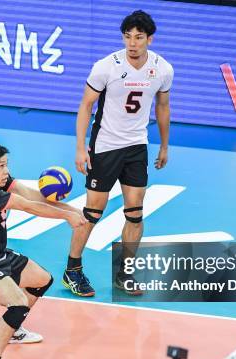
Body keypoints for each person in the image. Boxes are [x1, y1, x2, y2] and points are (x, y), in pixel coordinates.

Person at [62, 10, 174, 297]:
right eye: (128, 37)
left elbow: (162, 107)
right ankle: (72, 270)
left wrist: (163, 145)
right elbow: (86, 106)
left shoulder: (163, 69)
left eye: (138, 37)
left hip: (137, 146)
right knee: (92, 213)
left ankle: (124, 274)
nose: (132, 43)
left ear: (150, 39)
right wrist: (80, 148)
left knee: (135, 214)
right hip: (106, 146)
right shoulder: (106, 66)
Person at [0, 141, 86, 359]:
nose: (6, 171)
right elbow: (28, 206)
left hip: (0, 254)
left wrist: (72, 209)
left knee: (42, 280)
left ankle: (14, 329)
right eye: (2, 166)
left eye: (7, 165)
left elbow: (31, 195)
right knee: (17, 304)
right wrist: (67, 217)